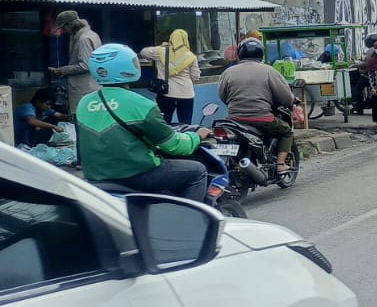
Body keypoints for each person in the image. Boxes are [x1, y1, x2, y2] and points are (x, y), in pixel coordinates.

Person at [76, 43, 212, 204]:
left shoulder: (84, 103)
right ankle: (186, 222)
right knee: (198, 171)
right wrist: (195, 137)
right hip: (136, 175)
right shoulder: (141, 104)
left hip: (94, 176)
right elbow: (174, 146)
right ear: (128, 67)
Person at [218, 37, 297, 171]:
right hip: (262, 118)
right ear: (261, 53)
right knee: (286, 132)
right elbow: (285, 98)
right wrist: (291, 101)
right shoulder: (269, 71)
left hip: (234, 120)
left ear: (240, 53)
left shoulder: (228, 72)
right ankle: (280, 164)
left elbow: (222, 96)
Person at [140, 28, 203, 125]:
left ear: (171, 39)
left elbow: (143, 52)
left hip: (166, 93)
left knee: (164, 121)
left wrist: (161, 46)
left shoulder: (160, 52)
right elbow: (195, 77)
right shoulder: (191, 56)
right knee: (185, 123)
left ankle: (166, 139)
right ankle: (185, 138)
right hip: (186, 94)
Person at [47, 10, 102, 111]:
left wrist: (62, 70)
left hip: (85, 90)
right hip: (93, 87)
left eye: (63, 27)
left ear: (70, 25)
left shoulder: (83, 39)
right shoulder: (92, 34)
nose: (63, 31)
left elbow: (85, 65)